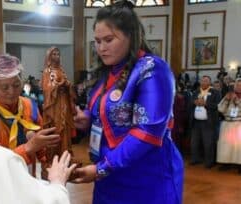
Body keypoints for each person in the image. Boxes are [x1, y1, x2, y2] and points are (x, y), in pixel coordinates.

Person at [72, 1, 184, 203]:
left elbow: (147, 133)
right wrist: (86, 118)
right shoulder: (107, 72)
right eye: (97, 41)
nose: (101, 48)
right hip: (109, 176)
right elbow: (100, 112)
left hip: (146, 177)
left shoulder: (152, 69)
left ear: (131, 36)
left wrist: (101, 169)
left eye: (108, 40)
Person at [0, 54, 60, 176]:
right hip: (0, 180)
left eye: (16, 85)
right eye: (5, 87)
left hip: (29, 175)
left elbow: (42, 145)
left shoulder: (29, 105)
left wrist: (48, 163)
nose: (12, 92)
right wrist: (28, 148)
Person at [41, 47, 77, 177]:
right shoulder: (47, 71)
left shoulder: (62, 70)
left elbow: (69, 86)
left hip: (64, 104)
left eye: (58, 54)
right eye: (54, 54)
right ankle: (52, 159)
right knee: (56, 130)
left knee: (65, 130)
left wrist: (66, 84)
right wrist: (57, 85)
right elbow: (46, 88)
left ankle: (65, 157)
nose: (56, 56)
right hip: (54, 106)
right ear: (49, 57)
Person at [190, 76, 221, 168]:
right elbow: (190, 102)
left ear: (210, 82)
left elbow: (218, 105)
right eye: (202, 81)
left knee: (208, 143)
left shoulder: (215, 92)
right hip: (196, 122)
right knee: (194, 142)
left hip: (208, 122)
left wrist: (206, 104)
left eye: (206, 81)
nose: (203, 82)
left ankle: (209, 162)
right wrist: (194, 102)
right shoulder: (196, 92)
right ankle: (195, 159)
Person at [216, 78, 241, 173]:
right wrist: (227, 99)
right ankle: (225, 163)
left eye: (240, 85)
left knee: (239, 147)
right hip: (227, 124)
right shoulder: (228, 95)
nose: (239, 87)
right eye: (237, 85)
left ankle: (239, 165)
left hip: (239, 124)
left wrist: (237, 101)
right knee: (226, 145)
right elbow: (220, 109)